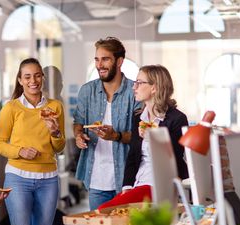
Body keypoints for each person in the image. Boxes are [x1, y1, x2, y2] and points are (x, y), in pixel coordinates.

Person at [98, 64, 189, 209]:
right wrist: (127, 187)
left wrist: (153, 138)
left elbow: (175, 160)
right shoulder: (138, 118)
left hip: (160, 186)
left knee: (103, 211)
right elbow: (133, 156)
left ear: (154, 88)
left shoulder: (178, 119)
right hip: (138, 184)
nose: (134, 87)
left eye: (139, 83)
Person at [0, 58, 66, 225]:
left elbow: (59, 148)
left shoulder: (55, 107)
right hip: (18, 178)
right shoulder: (11, 108)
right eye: (27, 77)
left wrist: (55, 132)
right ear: (20, 80)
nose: (33, 81)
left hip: (49, 180)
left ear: (42, 78)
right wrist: (20, 151)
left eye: (37, 76)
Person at [73, 37, 141, 210]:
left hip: (128, 179)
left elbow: (141, 136)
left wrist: (116, 136)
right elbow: (78, 123)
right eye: (97, 59)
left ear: (119, 61)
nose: (99, 65)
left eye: (105, 59)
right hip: (96, 179)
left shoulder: (135, 92)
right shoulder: (87, 91)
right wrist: (78, 136)